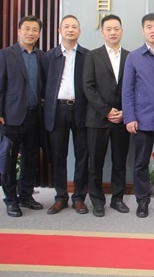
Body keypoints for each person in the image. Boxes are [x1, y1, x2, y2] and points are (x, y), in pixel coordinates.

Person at [0, 15, 46, 217]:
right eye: (27, 29)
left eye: (35, 30)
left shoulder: (42, 56)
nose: (31, 33)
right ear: (19, 31)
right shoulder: (6, 54)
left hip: (35, 116)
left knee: (31, 159)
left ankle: (25, 196)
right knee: (9, 160)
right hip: (11, 116)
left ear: (39, 33)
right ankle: (11, 200)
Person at [122, 13, 154, 218]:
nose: (153, 30)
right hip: (141, 121)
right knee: (140, 164)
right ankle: (142, 200)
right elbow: (127, 90)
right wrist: (129, 117)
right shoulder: (134, 57)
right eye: (149, 27)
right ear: (143, 31)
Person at [83, 14, 130, 217]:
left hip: (122, 118)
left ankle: (117, 199)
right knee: (96, 163)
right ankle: (97, 201)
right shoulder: (92, 56)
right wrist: (106, 111)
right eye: (108, 29)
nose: (113, 32)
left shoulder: (130, 56)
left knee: (120, 162)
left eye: (116, 28)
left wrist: (125, 112)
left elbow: (134, 87)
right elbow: (88, 87)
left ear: (122, 31)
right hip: (97, 118)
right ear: (102, 32)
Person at [43, 15, 89, 215]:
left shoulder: (87, 56)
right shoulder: (49, 56)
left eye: (74, 27)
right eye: (66, 26)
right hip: (58, 110)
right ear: (59, 31)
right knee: (58, 155)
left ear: (79, 31)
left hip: (81, 109)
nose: (70, 30)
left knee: (82, 155)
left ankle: (79, 197)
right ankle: (61, 197)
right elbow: (43, 84)